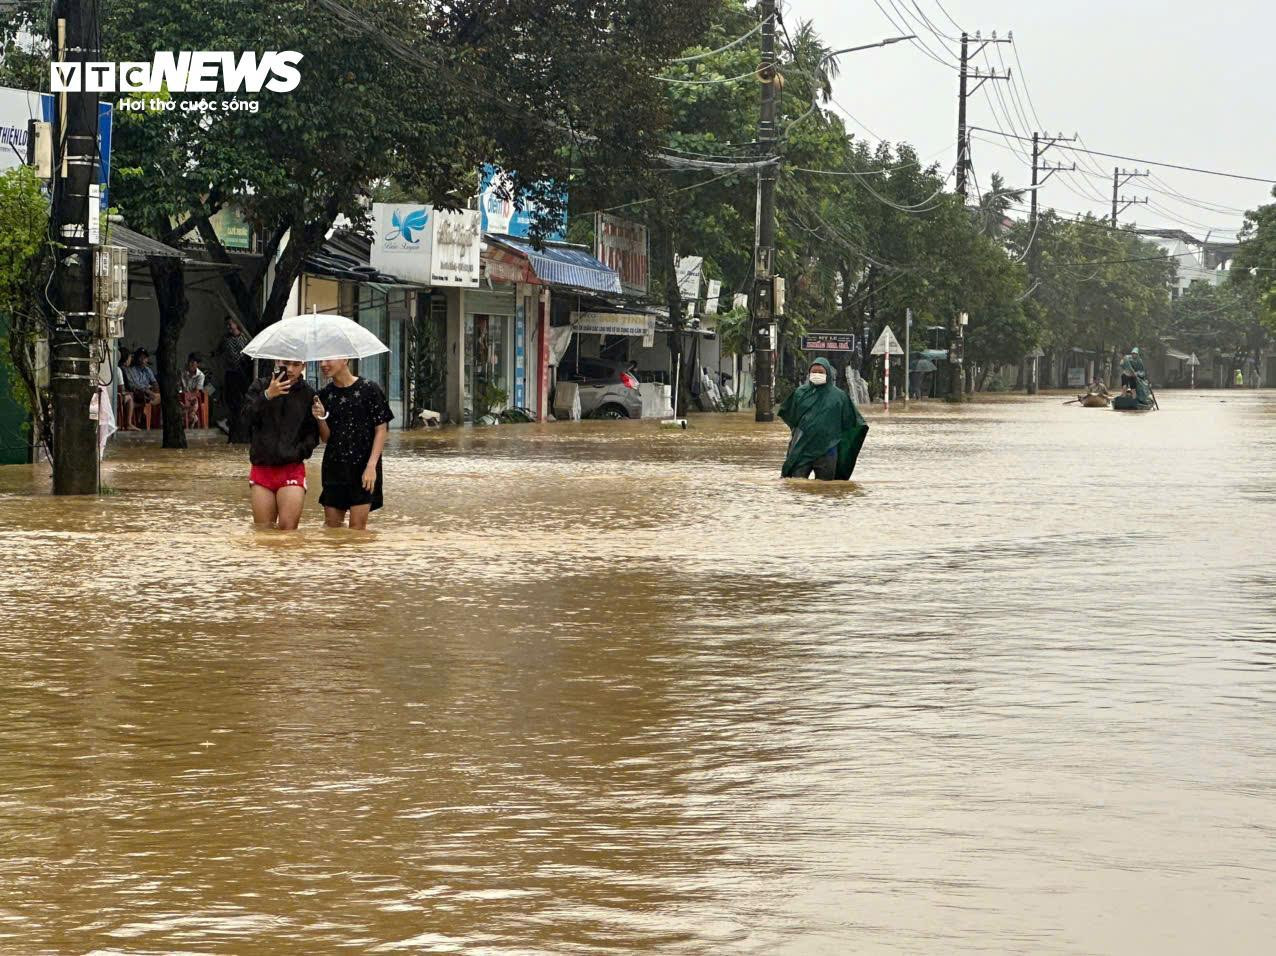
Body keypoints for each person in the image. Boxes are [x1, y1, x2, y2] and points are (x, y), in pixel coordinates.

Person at [312, 358, 394, 530]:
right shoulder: (324, 395)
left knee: (357, 530)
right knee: (332, 529)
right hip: (334, 468)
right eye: (321, 360)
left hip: (364, 468)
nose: (323, 364)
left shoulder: (370, 389)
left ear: (345, 359)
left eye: (329, 359)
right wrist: (320, 417)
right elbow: (326, 438)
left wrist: (372, 466)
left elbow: (381, 429)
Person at [243, 360, 320, 531]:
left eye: (296, 364)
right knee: (264, 531)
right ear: (277, 362)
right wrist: (267, 395)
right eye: (286, 364)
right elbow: (245, 419)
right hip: (262, 467)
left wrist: (298, 452)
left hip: (292, 468)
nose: (291, 369)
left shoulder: (309, 394)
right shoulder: (259, 386)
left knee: (288, 530)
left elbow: (313, 435)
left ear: (304, 366)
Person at [778, 358, 869, 481]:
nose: (817, 375)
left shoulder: (840, 397)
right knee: (795, 484)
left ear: (828, 374)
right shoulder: (800, 393)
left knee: (826, 487)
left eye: (820, 372)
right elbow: (790, 415)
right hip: (803, 447)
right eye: (814, 372)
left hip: (828, 448)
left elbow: (851, 420)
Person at [217, 317, 253, 440]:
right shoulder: (225, 339)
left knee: (242, 398)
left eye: (230, 324)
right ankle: (229, 421)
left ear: (236, 324)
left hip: (242, 373)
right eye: (227, 325)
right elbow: (219, 351)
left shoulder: (244, 338)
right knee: (231, 399)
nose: (228, 327)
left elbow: (248, 355)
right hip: (230, 372)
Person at [128, 348, 161, 427]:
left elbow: (154, 382)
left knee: (162, 396)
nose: (143, 360)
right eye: (141, 357)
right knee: (156, 397)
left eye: (145, 358)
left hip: (149, 393)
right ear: (136, 358)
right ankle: (146, 407)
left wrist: (154, 390)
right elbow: (137, 385)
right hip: (139, 393)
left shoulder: (148, 370)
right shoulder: (133, 370)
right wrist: (149, 392)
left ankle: (147, 407)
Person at [180, 353, 206, 428]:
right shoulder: (183, 372)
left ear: (197, 364)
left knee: (193, 401)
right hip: (183, 396)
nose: (189, 364)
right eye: (189, 362)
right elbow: (179, 387)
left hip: (193, 398)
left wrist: (189, 398)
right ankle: (192, 418)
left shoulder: (201, 376)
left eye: (192, 363)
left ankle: (190, 418)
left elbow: (197, 391)